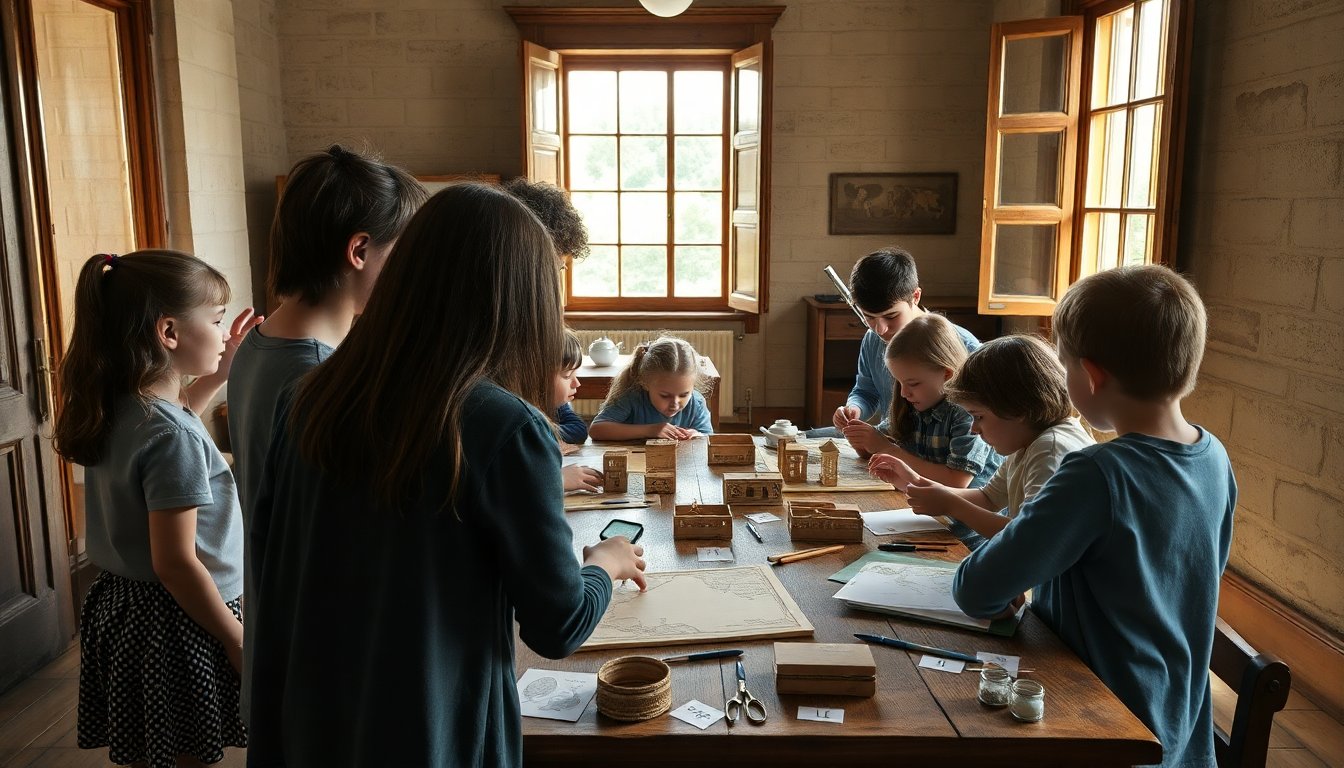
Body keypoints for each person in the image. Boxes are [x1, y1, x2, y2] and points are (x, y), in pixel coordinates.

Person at [246, 183, 646, 767]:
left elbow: (270, 558)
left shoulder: (309, 394)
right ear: (525, 303)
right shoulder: (504, 425)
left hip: (315, 718)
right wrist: (604, 564)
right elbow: (558, 626)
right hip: (430, 729)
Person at [953, 265, 1234, 768]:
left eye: (1064, 365)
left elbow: (976, 588)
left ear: (1092, 375)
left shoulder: (1096, 473)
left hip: (1099, 722)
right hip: (1180, 724)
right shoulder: (1214, 457)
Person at [226, 144, 424, 721]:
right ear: (359, 251)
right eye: (402, 254)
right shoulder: (322, 378)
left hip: (281, 632)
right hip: (326, 655)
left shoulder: (259, 345)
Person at [53, 250, 259, 768]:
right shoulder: (170, 437)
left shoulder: (125, 408)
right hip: (177, 621)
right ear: (169, 332)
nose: (223, 333)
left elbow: (180, 417)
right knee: (187, 755)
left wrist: (220, 372)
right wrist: (236, 639)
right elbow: (177, 563)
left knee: (152, 750)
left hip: (125, 609)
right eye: (216, 320)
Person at [870, 334, 1094, 540]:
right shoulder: (1027, 442)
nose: (974, 429)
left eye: (978, 417)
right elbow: (987, 499)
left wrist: (952, 506)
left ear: (1017, 409)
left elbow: (1029, 537)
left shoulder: (1050, 449)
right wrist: (914, 482)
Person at [819, 247, 980, 442]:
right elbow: (865, 391)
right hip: (895, 442)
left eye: (891, 316)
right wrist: (854, 408)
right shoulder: (873, 338)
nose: (880, 329)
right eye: (869, 317)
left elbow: (978, 427)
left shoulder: (963, 346)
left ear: (915, 296)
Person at [588, 335, 714, 440]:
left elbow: (708, 437)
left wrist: (698, 436)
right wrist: (651, 430)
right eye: (665, 396)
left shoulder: (696, 402)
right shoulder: (632, 397)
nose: (675, 404)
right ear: (645, 383)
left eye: (684, 395)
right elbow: (596, 430)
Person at [556, 328, 603, 492]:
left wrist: (546, 437)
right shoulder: (517, 416)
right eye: (568, 375)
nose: (577, 383)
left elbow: (579, 429)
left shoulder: (558, 405)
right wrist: (548, 440)